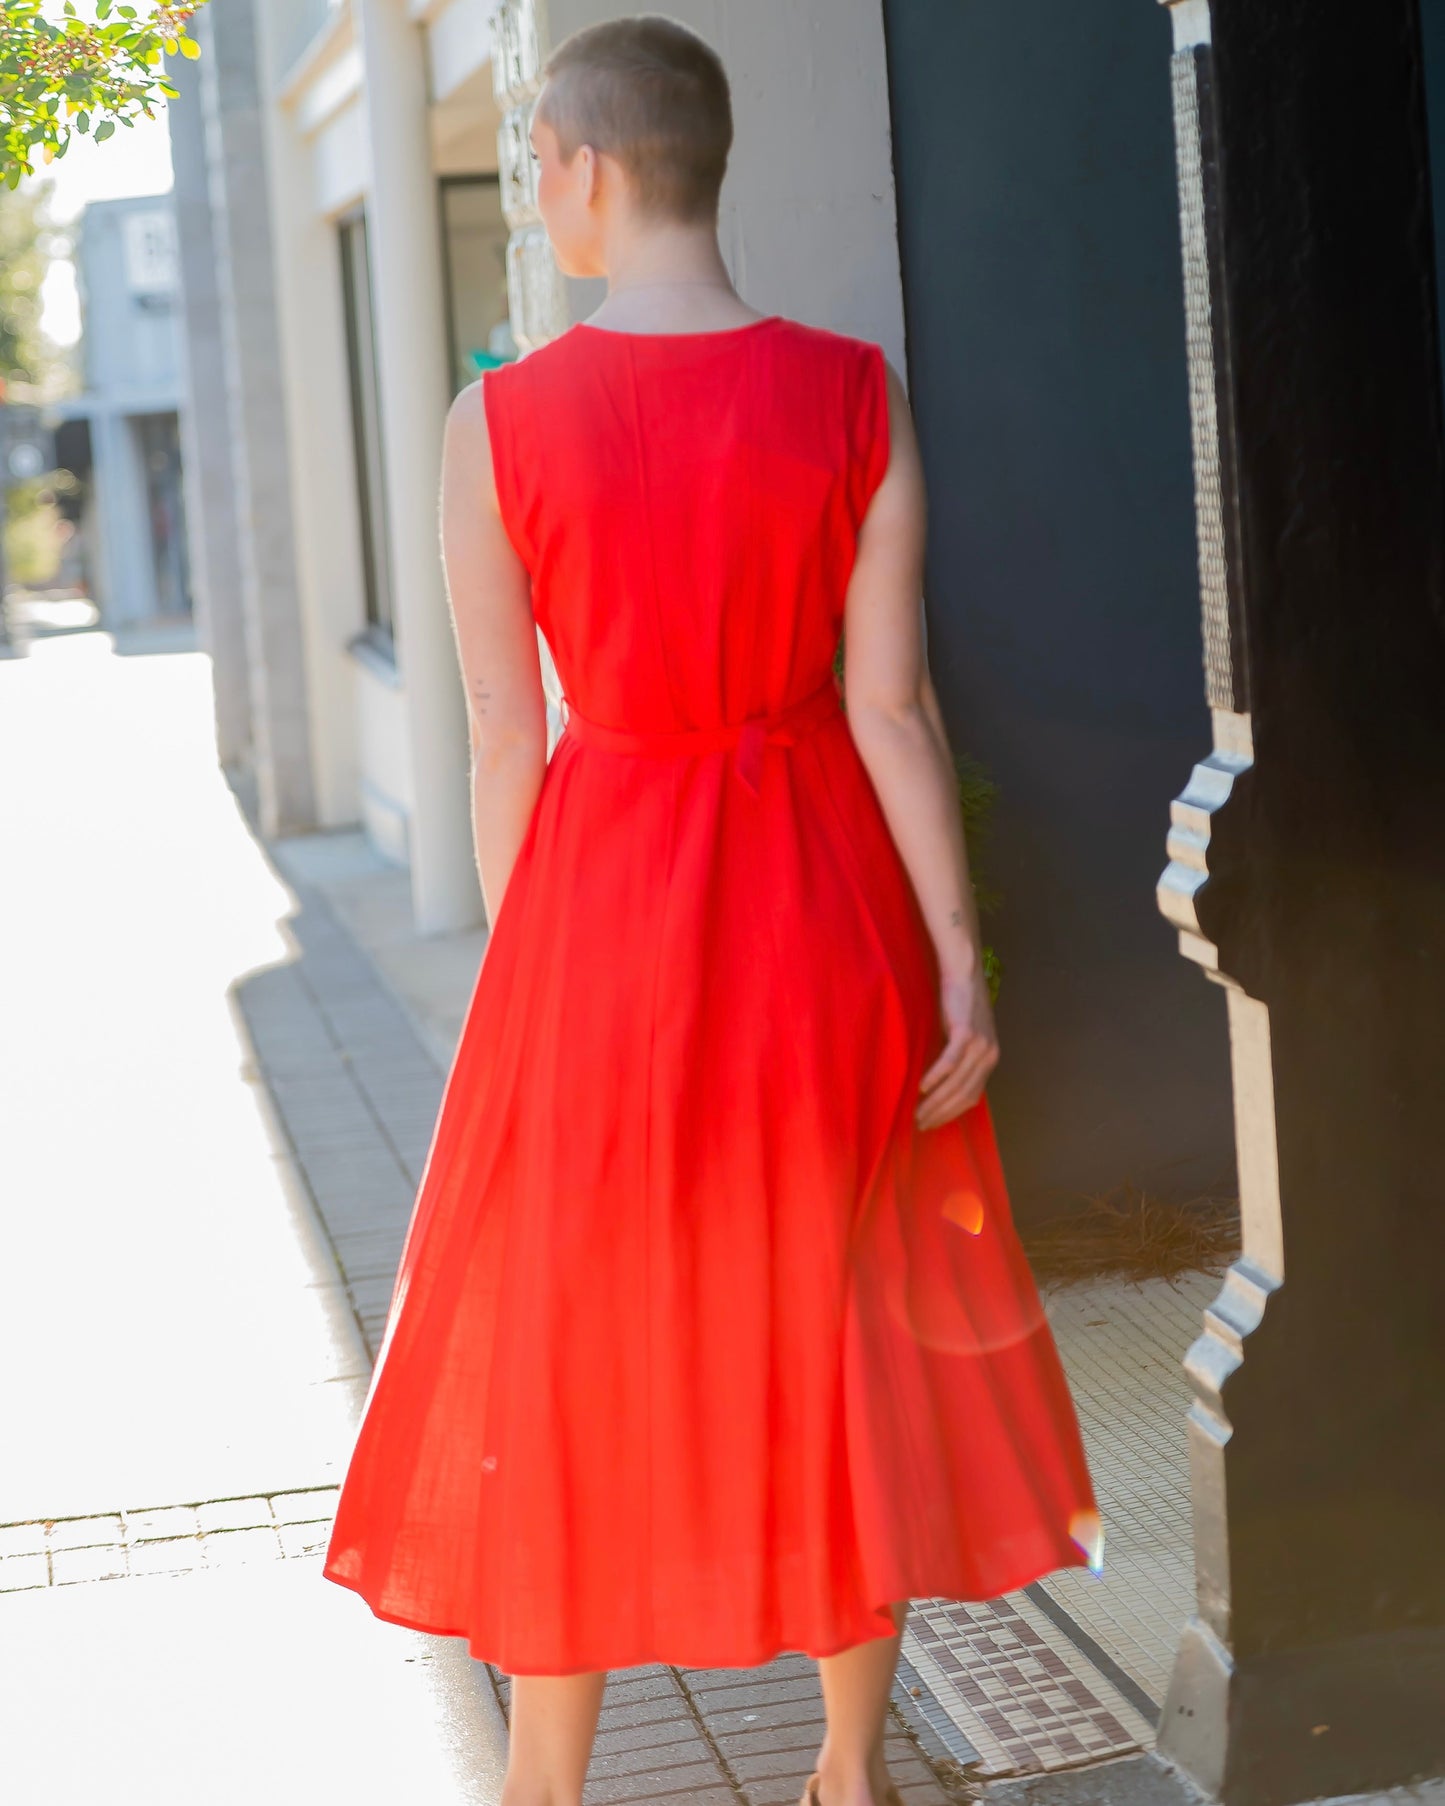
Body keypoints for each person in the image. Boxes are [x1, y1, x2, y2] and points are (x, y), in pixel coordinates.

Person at [323, 17, 1100, 1806]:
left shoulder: (494, 419)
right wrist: (958, 960)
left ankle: (545, 1784)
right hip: (818, 914)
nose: (537, 186)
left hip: (603, 922)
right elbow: (894, 706)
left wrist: (525, 975)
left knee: (572, 1337)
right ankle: (845, 1768)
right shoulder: (849, 391)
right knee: (845, 1327)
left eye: (535, 157)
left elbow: (504, 732)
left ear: (586, 168)